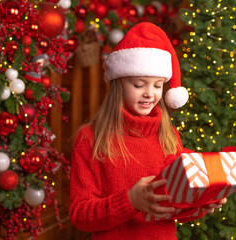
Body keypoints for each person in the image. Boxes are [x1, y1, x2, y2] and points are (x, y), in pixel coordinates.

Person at [69, 22, 226, 240]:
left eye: (158, 85)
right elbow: (80, 215)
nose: (149, 94)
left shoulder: (169, 135)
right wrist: (130, 201)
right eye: (139, 84)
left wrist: (200, 203)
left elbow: (171, 207)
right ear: (119, 83)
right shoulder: (90, 138)